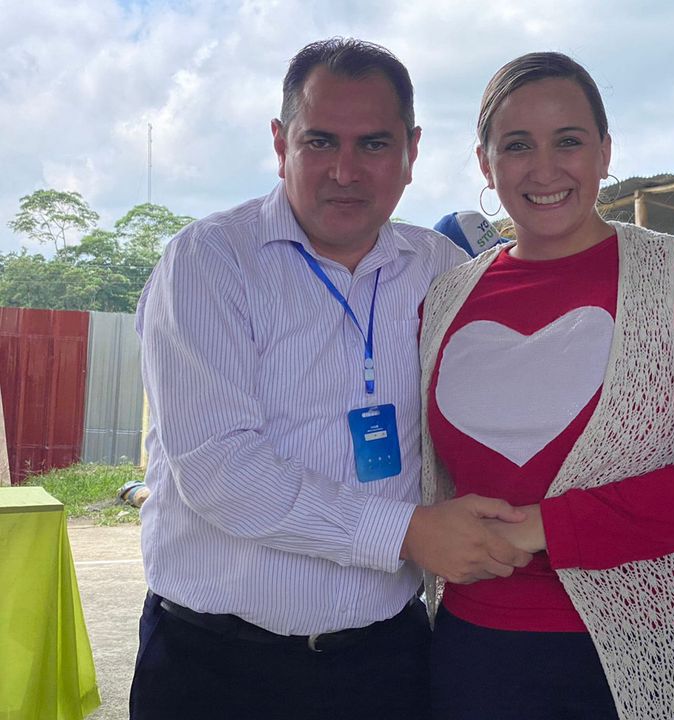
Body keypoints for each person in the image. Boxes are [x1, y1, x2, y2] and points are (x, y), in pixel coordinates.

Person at [129, 38, 538, 720]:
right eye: (320, 141)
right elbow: (222, 471)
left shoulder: (442, 269)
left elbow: (528, 384)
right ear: (279, 142)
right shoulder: (209, 262)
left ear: (411, 151)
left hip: (386, 663)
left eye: (374, 144)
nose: (345, 171)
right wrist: (408, 533)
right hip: (217, 671)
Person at [420, 52, 674, 720]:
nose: (544, 168)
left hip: (661, 644)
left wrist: (545, 527)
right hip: (478, 650)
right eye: (517, 145)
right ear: (484, 164)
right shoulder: (445, 299)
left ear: (605, 151)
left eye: (569, 141)